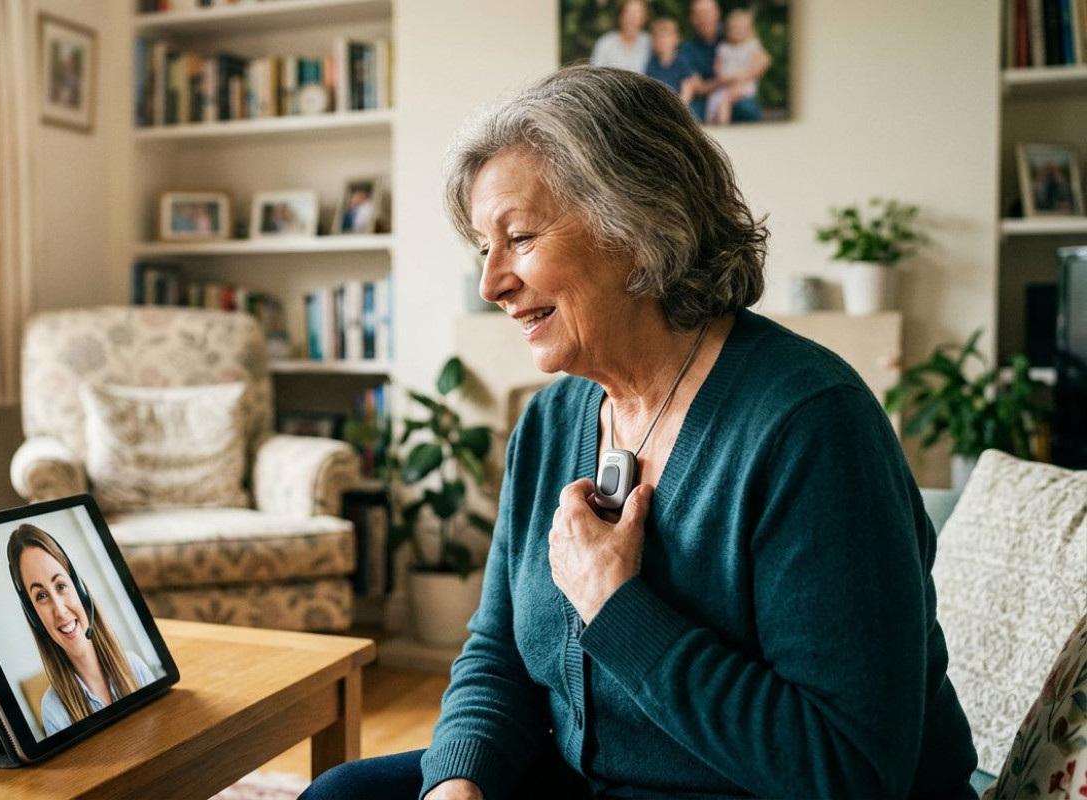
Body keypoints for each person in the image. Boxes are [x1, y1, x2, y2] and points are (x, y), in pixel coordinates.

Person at [301, 66, 978, 799]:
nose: (492, 282)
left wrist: (615, 606)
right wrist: (458, 780)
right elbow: (497, 650)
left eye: (520, 238)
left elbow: (849, 772)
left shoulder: (810, 426)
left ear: (638, 223)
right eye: (483, 249)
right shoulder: (552, 420)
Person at [6, 524, 157, 737]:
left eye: (60, 586)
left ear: (80, 590)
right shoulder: (54, 711)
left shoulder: (134, 667)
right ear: (34, 617)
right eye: (41, 596)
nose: (59, 610)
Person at [704, 8, 771, 125]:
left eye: (740, 29)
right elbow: (718, 67)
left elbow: (762, 62)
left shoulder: (752, 46)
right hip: (725, 83)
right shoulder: (724, 48)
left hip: (743, 84)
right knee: (713, 100)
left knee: (725, 101)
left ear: (748, 30)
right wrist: (722, 76)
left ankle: (724, 124)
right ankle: (712, 124)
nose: (736, 32)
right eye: (732, 29)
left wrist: (741, 76)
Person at [643, 17, 699, 105]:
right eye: (658, 38)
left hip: (679, 106)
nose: (661, 41)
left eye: (665, 38)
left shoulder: (682, 62)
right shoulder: (651, 64)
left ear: (676, 40)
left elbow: (687, 88)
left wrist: (680, 107)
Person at [589, 0, 651, 74]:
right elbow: (595, 74)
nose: (633, 17)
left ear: (645, 17)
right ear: (620, 16)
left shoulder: (650, 43)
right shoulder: (605, 43)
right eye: (628, 12)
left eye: (638, 12)